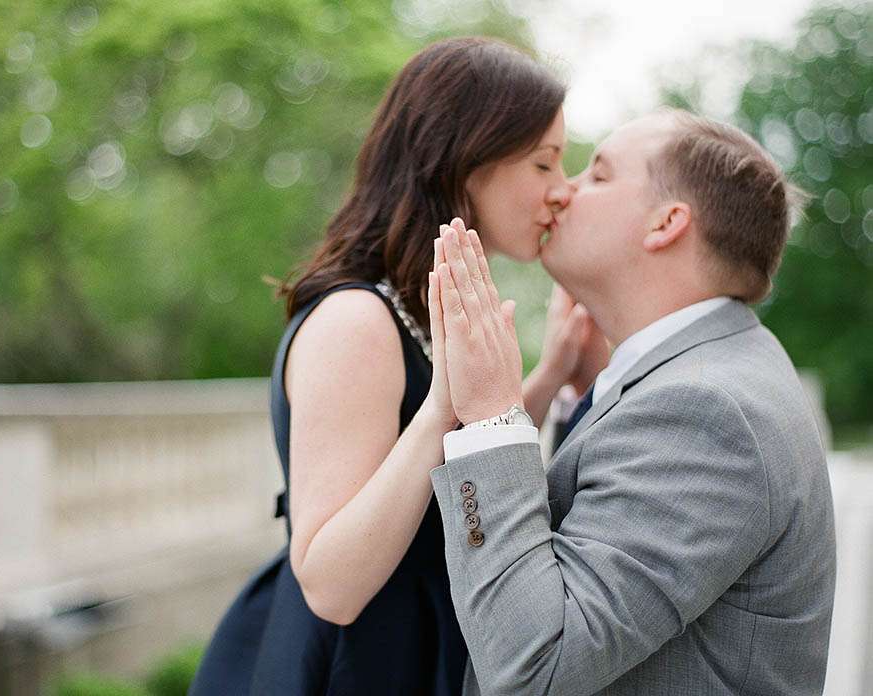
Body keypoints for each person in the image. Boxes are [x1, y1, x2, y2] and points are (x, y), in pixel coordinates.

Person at [189, 37, 602, 696]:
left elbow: (435, 468)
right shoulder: (357, 322)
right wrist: (444, 406)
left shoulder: (409, 309)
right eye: (544, 163)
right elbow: (329, 583)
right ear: (466, 159)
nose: (563, 191)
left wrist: (548, 375)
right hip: (347, 666)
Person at [426, 110, 836, 695]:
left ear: (666, 222)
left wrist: (494, 415)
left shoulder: (706, 413)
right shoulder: (714, 369)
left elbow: (533, 666)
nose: (563, 191)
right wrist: (589, 396)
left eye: (598, 175)